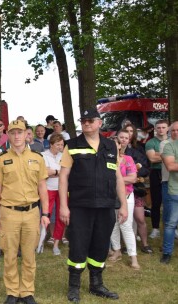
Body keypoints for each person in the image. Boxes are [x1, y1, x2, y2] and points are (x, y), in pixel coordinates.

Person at [59, 108, 128, 302]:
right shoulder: (72, 145)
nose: (86, 124)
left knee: (100, 245)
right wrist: (64, 206)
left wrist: (123, 205)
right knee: (78, 246)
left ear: (99, 123)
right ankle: (74, 286)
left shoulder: (111, 146)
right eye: (84, 121)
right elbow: (63, 177)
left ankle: (96, 284)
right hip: (80, 205)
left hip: (106, 205)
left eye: (90, 121)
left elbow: (117, 177)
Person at [0, 120, 50, 304]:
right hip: (9, 213)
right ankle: (12, 292)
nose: (17, 136)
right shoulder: (1, 159)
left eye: (20, 132)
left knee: (29, 254)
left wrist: (45, 213)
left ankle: (27, 291)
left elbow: (42, 187)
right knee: (9, 254)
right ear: (8, 134)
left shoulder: (37, 158)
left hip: (32, 212)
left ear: (26, 134)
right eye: (13, 132)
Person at [108, 131, 140, 270]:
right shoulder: (105, 160)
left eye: (116, 145)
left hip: (126, 196)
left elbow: (133, 178)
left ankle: (133, 257)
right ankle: (117, 251)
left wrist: (115, 180)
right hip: (109, 197)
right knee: (113, 225)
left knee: (126, 225)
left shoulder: (128, 159)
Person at [122, 123, 152, 253]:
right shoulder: (115, 150)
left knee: (139, 218)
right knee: (124, 219)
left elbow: (145, 168)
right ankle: (128, 244)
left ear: (133, 134)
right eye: (126, 131)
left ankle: (145, 244)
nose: (128, 133)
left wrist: (133, 174)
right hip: (121, 188)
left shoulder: (139, 149)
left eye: (131, 131)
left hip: (136, 187)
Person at [42, 134, 65, 256]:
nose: (60, 147)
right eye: (58, 145)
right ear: (51, 144)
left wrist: (54, 172)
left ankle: (56, 244)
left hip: (61, 189)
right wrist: (59, 171)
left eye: (62, 144)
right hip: (48, 189)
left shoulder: (64, 156)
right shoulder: (44, 155)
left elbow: (67, 172)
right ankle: (40, 241)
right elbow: (45, 172)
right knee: (46, 215)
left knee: (61, 216)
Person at [145, 119, 169, 239]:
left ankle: (172, 228)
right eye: (158, 127)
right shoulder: (150, 143)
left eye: (163, 127)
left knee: (169, 202)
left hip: (170, 173)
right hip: (156, 173)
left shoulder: (172, 141)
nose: (161, 130)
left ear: (167, 128)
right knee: (156, 202)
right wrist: (168, 156)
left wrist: (159, 154)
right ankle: (155, 229)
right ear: (155, 129)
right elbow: (152, 159)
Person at [161, 121, 178, 264]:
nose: (176, 132)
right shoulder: (169, 146)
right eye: (173, 130)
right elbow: (171, 166)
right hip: (175, 191)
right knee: (171, 223)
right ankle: (167, 253)